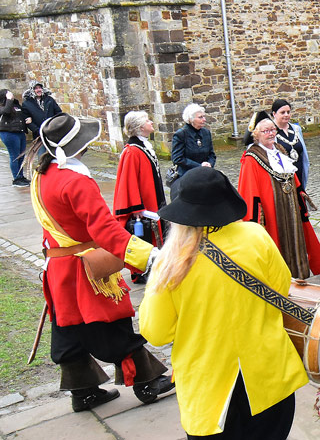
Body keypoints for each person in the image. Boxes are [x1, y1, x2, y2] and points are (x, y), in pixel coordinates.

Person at [139, 167, 307, 439]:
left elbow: (155, 333)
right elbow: (281, 287)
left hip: (211, 393)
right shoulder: (256, 236)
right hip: (270, 378)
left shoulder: (171, 264)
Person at [25, 113, 172, 413]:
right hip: (86, 271)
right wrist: (148, 256)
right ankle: (147, 382)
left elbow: (50, 226)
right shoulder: (76, 181)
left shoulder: (41, 174)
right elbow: (105, 231)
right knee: (112, 326)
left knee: (67, 330)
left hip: (58, 268)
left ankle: (83, 391)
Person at [238, 112, 320, 279]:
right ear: (256, 134)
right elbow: (249, 192)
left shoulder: (280, 149)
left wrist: (301, 196)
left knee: (297, 242)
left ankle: (299, 278)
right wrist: (258, 223)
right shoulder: (251, 158)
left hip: (291, 209)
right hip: (272, 213)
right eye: (266, 131)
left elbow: (292, 177)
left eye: (273, 129)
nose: (271, 133)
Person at [112, 111, 167, 284]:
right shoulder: (132, 151)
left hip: (153, 198)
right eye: (147, 120)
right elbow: (129, 180)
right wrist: (137, 208)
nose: (151, 122)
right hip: (143, 203)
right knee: (144, 236)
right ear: (140, 127)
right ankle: (141, 270)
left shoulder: (143, 147)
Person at [170, 103, 216, 183]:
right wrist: (199, 166)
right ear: (191, 119)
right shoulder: (181, 134)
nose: (204, 119)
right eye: (200, 117)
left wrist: (209, 164)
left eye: (204, 116)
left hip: (206, 174)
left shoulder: (206, 133)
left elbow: (212, 154)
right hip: (187, 177)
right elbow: (177, 158)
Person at [271, 99, 310, 189]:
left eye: (288, 112)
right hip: (283, 180)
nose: (286, 115)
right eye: (282, 112)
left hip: (299, 175)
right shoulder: (271, 132)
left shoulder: (296, 129)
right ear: (274, 113)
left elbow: (303, 154)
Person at [1, 88, 31, 186]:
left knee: (21, 156)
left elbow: (19, 116)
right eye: (9, 94)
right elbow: (5, 112)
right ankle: (16, 179)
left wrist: (26, 120)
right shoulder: (3, 106)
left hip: (20, 133)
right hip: (9, 133)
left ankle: (21, 176)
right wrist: (9, 100)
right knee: (15, 156)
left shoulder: (16, 105)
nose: (12, 94)